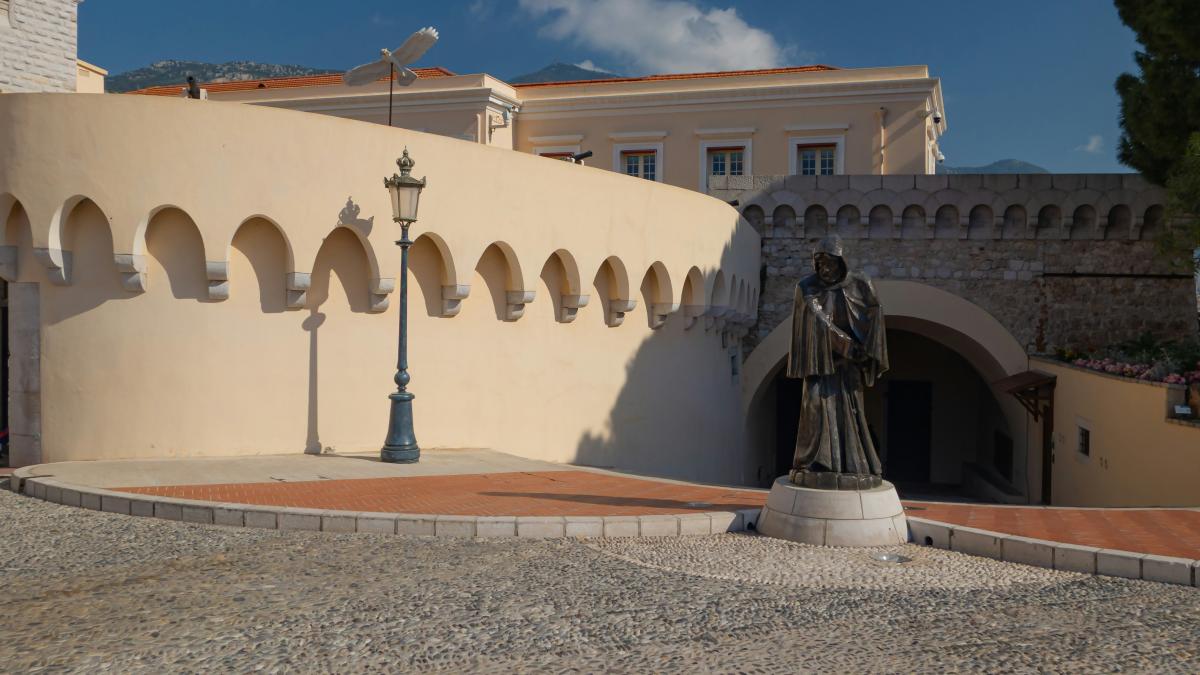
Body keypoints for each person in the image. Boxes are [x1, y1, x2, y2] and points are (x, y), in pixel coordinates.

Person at [786, 235, 889, 490]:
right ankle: (811, 461)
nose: (825, 269)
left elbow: (875, 315)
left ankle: (854, 464)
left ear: (841, 262)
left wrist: (864, 350)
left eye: (830, 263)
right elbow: (815, 317)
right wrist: (844, 344)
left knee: (851, 412)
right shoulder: (806, 287)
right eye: (819, 264)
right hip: (820, 364)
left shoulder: (860, 284)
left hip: (849, 365)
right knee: (814, 407)